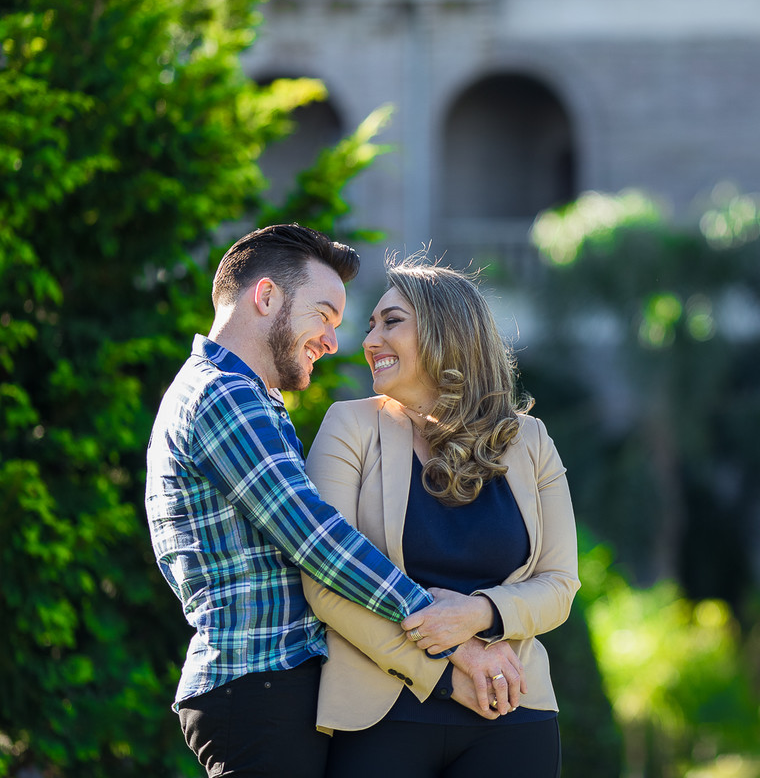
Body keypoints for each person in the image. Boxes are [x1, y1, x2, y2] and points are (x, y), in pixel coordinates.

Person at [145, 224, 446, 778]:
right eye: (325, 316)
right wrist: (440, 625)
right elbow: (316, 540)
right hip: (260, 687)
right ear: (266, 297)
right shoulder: (222, 395)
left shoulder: (240, 395)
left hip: (265, 686)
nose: (333, 341)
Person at [299, 254, 580, 778]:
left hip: (513, 709)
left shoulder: (531, 441)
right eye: (370, 325)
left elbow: (560, 585)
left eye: (392, 321)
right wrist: (452, 667)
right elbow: (326, 582)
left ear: (447, 330)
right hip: (381, 716)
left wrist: (476, 613)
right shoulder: (348, 426)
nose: (369, 340)